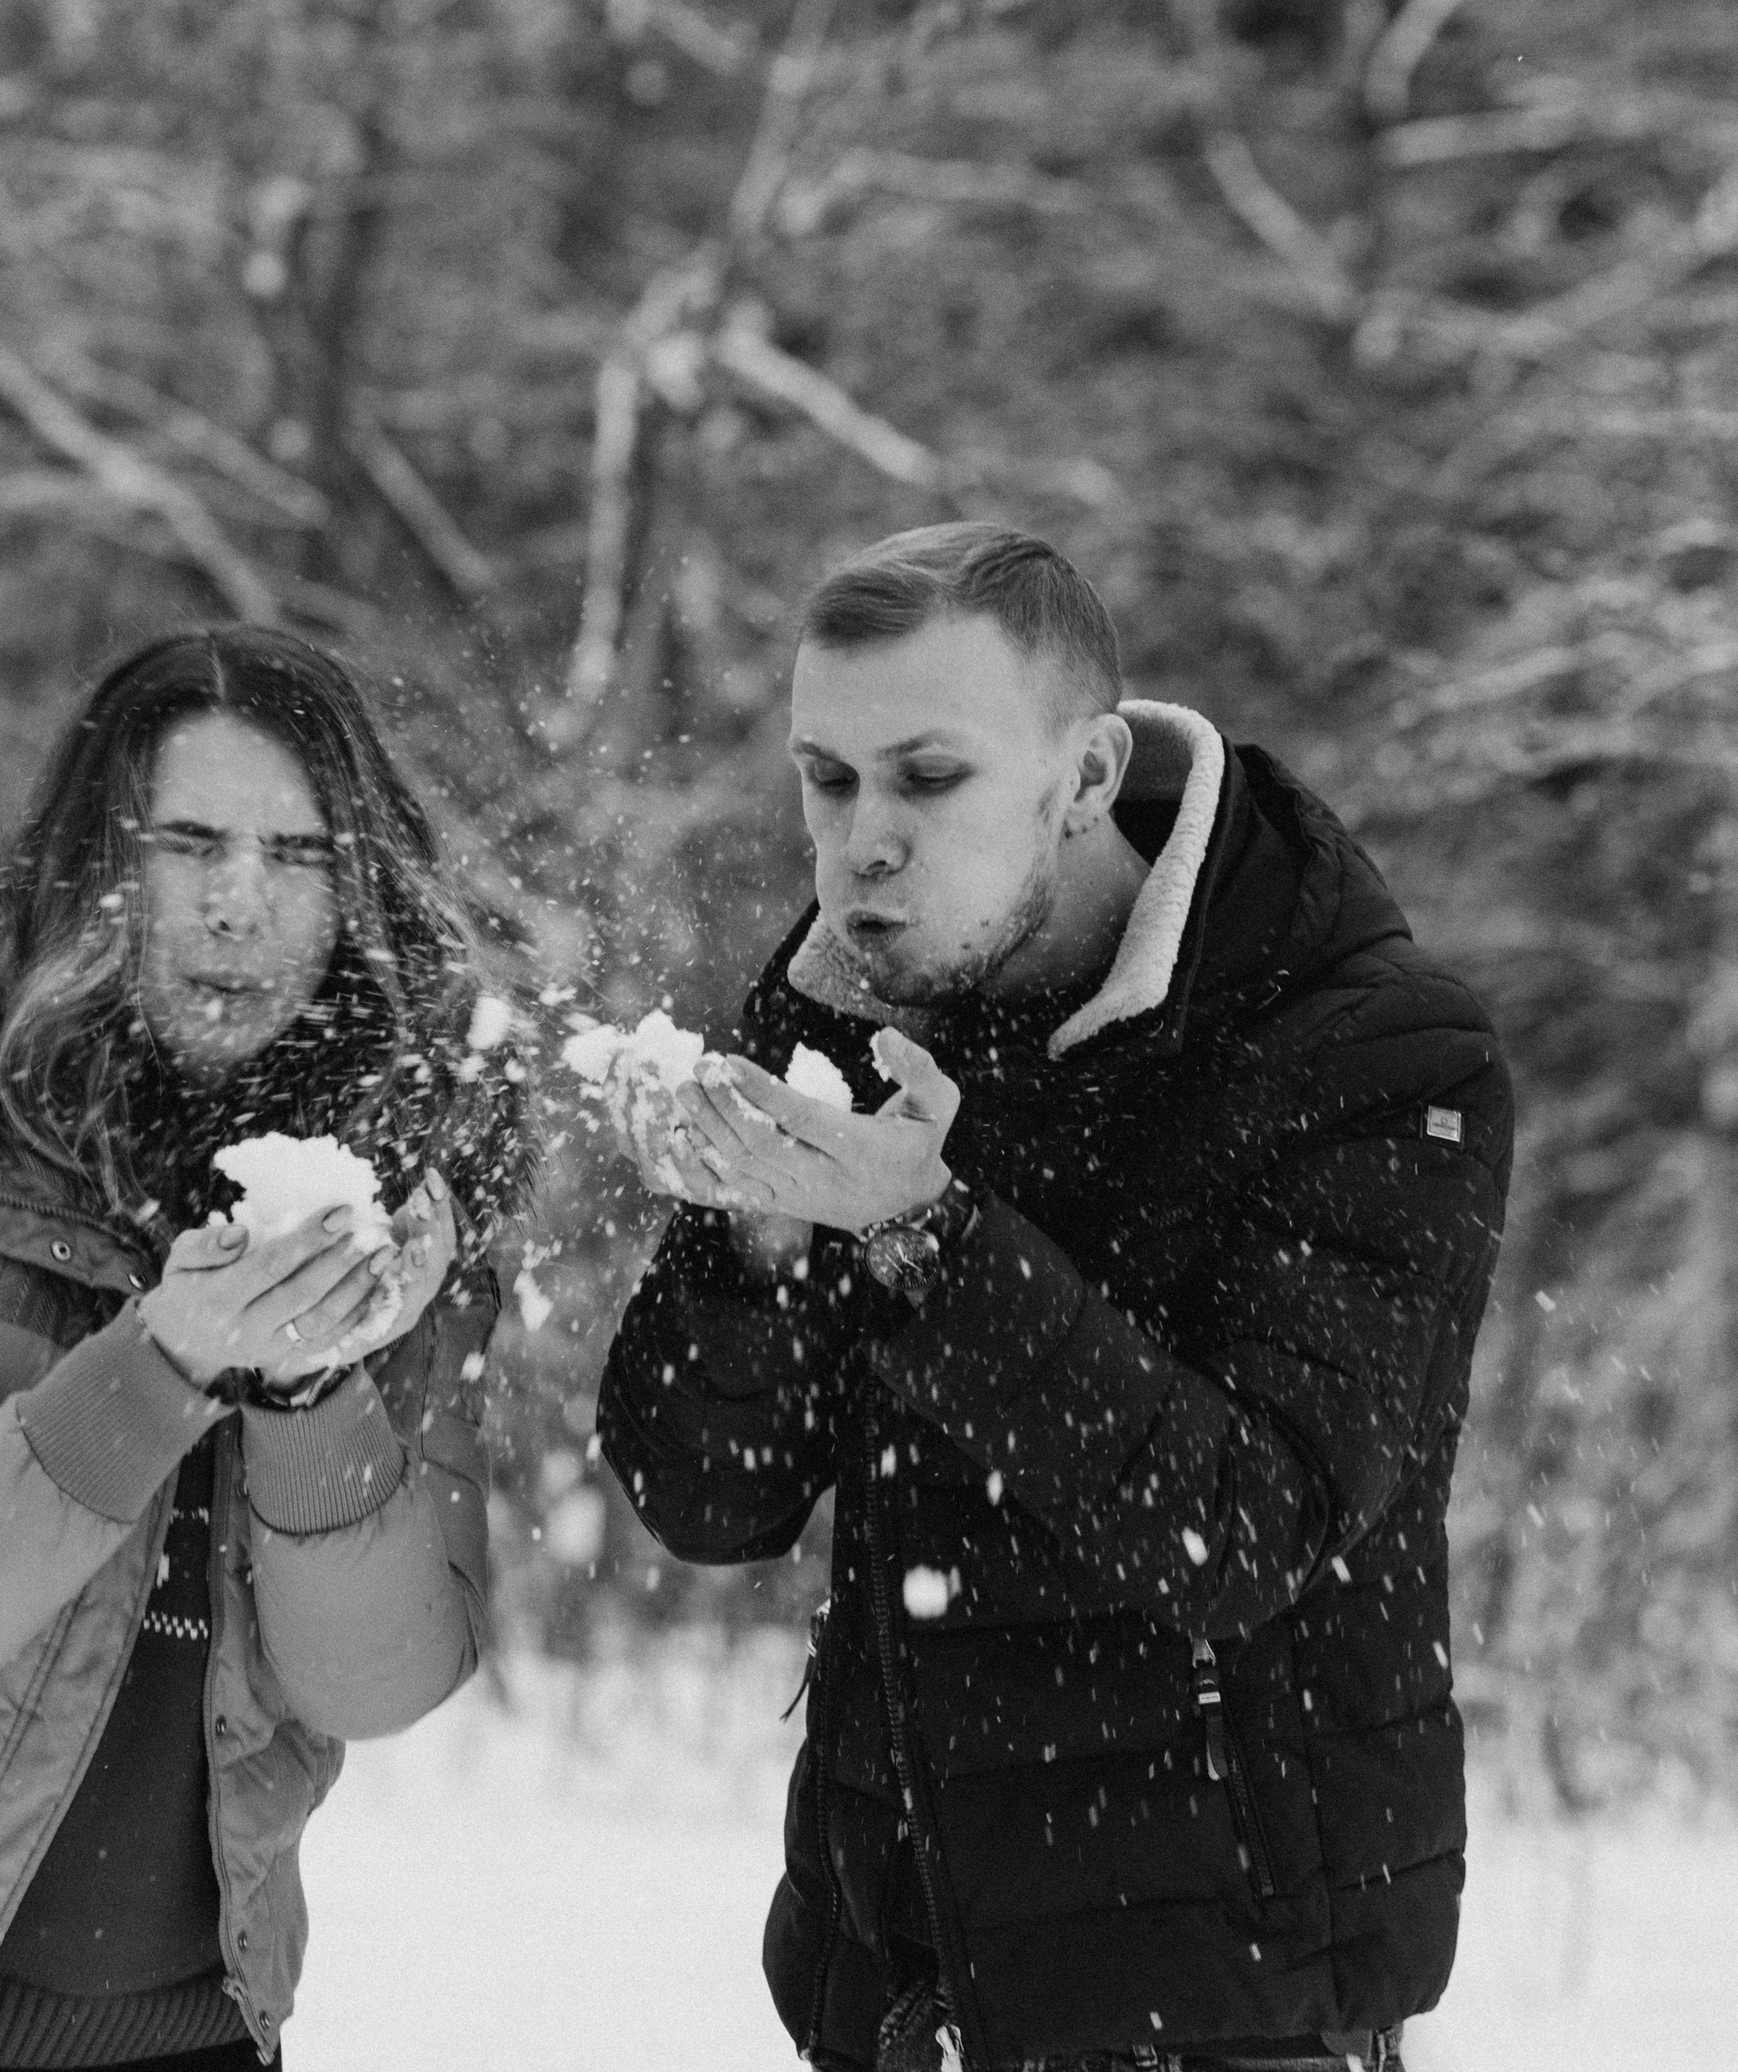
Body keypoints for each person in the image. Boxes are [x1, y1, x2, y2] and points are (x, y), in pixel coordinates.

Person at [596, 524, 1511, 2072]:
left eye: (928, 776)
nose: (860, 842)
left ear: (1086, 777)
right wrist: (754, 1242)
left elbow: (1248, 1526)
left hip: (1225, 2011)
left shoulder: (1375, 1055)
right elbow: (706, 1498)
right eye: (827, 778)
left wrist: (926, 1236)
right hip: (892, 1988)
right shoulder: (849, 994)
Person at [0, 627, 531, 2072]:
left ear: (358, 884)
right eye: (188, 841)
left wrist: (312, 1383)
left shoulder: (397, 1185)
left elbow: (378, 1681)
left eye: (299, 852)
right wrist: (169, 1362)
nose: (239, 901)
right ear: (96, 861)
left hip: (184, 2026)